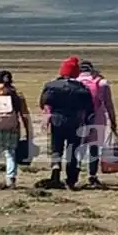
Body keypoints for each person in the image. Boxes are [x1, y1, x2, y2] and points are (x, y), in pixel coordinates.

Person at [38, 56, 95, 190]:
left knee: (56, 146)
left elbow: (43, 103)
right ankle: (71, 179)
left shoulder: (51, 86)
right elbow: (89, 109)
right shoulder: (82, 88)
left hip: (57, 119)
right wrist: (88, 124)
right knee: (73, 149)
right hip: (75, 121)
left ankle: (56, 166)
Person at [76, 60, 118, 189]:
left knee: (77, 148)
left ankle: (74, 175)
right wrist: (113, 121)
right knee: (94, 148)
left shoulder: (74, 82)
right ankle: (92, 175)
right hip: (97, 119)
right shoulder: (102, 83)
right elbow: (109, 104)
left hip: (78, 119)